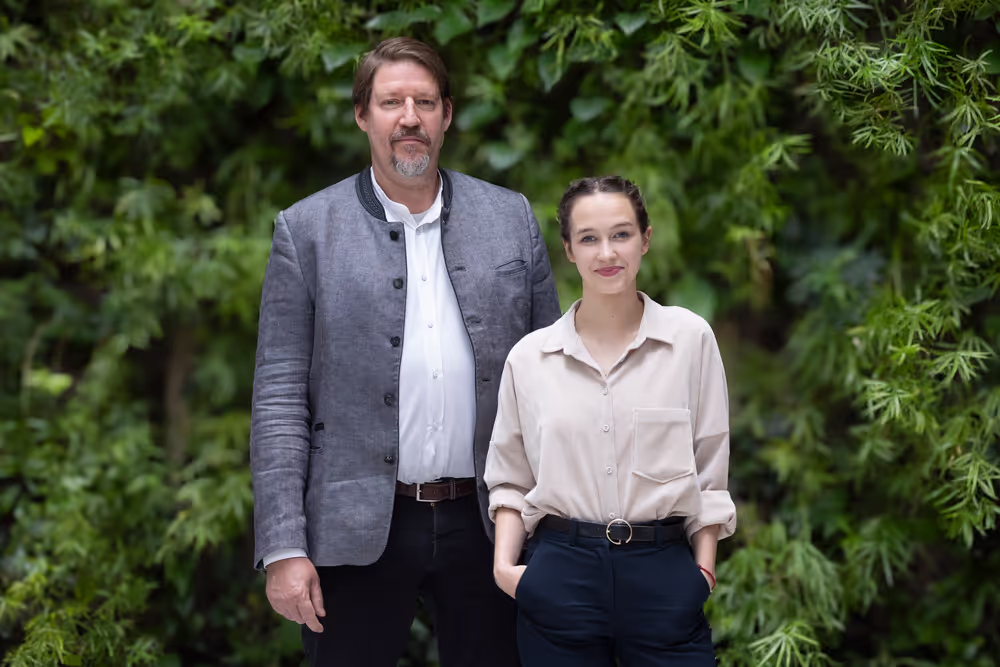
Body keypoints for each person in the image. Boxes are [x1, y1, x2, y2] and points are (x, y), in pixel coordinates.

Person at [249, 37, 561, 667]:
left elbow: (555, 380)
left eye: (425, 102)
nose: (410, 117)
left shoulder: (511, 218)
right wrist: (283, 546)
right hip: (354, 523)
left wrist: (560, 524)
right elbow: (279, 398)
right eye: (391, 102)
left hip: (494, 521)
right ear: (362, 115)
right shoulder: (306, 230)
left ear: (447, 114)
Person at [485, 176, 736, 666]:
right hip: (560, 572)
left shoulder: (690, 340)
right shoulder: (530, 358)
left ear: (645, 239)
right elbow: (511, 479)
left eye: (621, 234)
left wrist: (703, 569)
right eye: (589, 238)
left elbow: (710, 467)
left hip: (663, 571)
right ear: (568, 250)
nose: (607, 253)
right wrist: (505, 569)